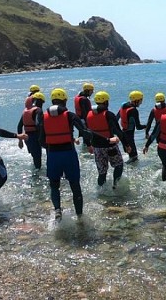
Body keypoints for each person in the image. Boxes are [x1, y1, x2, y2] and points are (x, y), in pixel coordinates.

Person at [40, 88, 116, 220]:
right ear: (64, 101)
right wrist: (107, 140)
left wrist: (53, 146)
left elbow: (41, 140)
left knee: (54, 185)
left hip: (52, 155)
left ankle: (57, 209)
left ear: (52, 100)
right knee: (75, 186)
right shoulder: (70, 116)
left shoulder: (43, 117)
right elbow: (86, 132)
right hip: (68, 154)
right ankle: (80, 217)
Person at [85, 91, 130, 188]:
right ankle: (115, 185)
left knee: (102, 172)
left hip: (97, 147)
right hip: (110, 146)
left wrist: (88, 144)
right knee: (118, 165)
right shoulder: (108, 114)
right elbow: (118, 131)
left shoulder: (88, 114)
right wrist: (126, 145)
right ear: (106, 102)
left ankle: (101, 190)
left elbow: (86, 132)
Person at [17, 92, 45, 169]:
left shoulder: (25, 111)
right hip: (36, 136)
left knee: (35, 157)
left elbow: (19, 126)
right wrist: (43, 137)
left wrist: (20, 141)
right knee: (38, 160)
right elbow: (38, 124)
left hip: (27, 138)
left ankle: (36, 173)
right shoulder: (38, 110)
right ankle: (38, 176)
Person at [119, 90, 146, 163]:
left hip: (122, 135)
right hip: (129, 137)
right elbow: (138, 127)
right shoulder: (133, 111)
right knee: (134, 158)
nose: (141, 102)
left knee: (131, 157)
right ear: (136, 100)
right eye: (141, 100)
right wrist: (146, 126)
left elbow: (116, 118)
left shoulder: (123, 106)